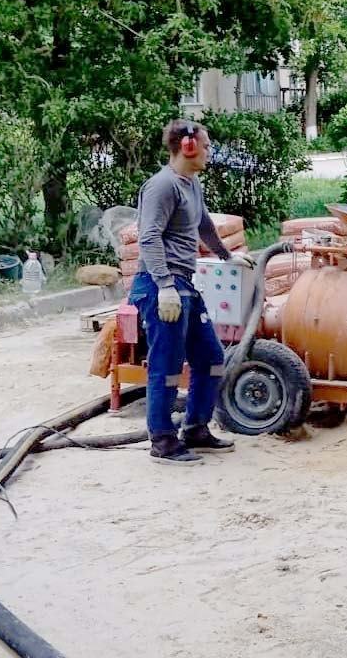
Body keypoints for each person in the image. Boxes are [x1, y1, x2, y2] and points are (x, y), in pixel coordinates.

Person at [130, 119, 254, 465]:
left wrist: (228, 255)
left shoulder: (191, 183)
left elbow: (203, 224)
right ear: (188, 147)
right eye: (208, 145)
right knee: (167, 366)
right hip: (161, 286)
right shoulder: (162, 187)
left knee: (211, 358)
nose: (210, 152)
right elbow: (149, 237)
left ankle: (196, 427)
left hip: (185, 283)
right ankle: (163, 441)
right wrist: (165, 286)